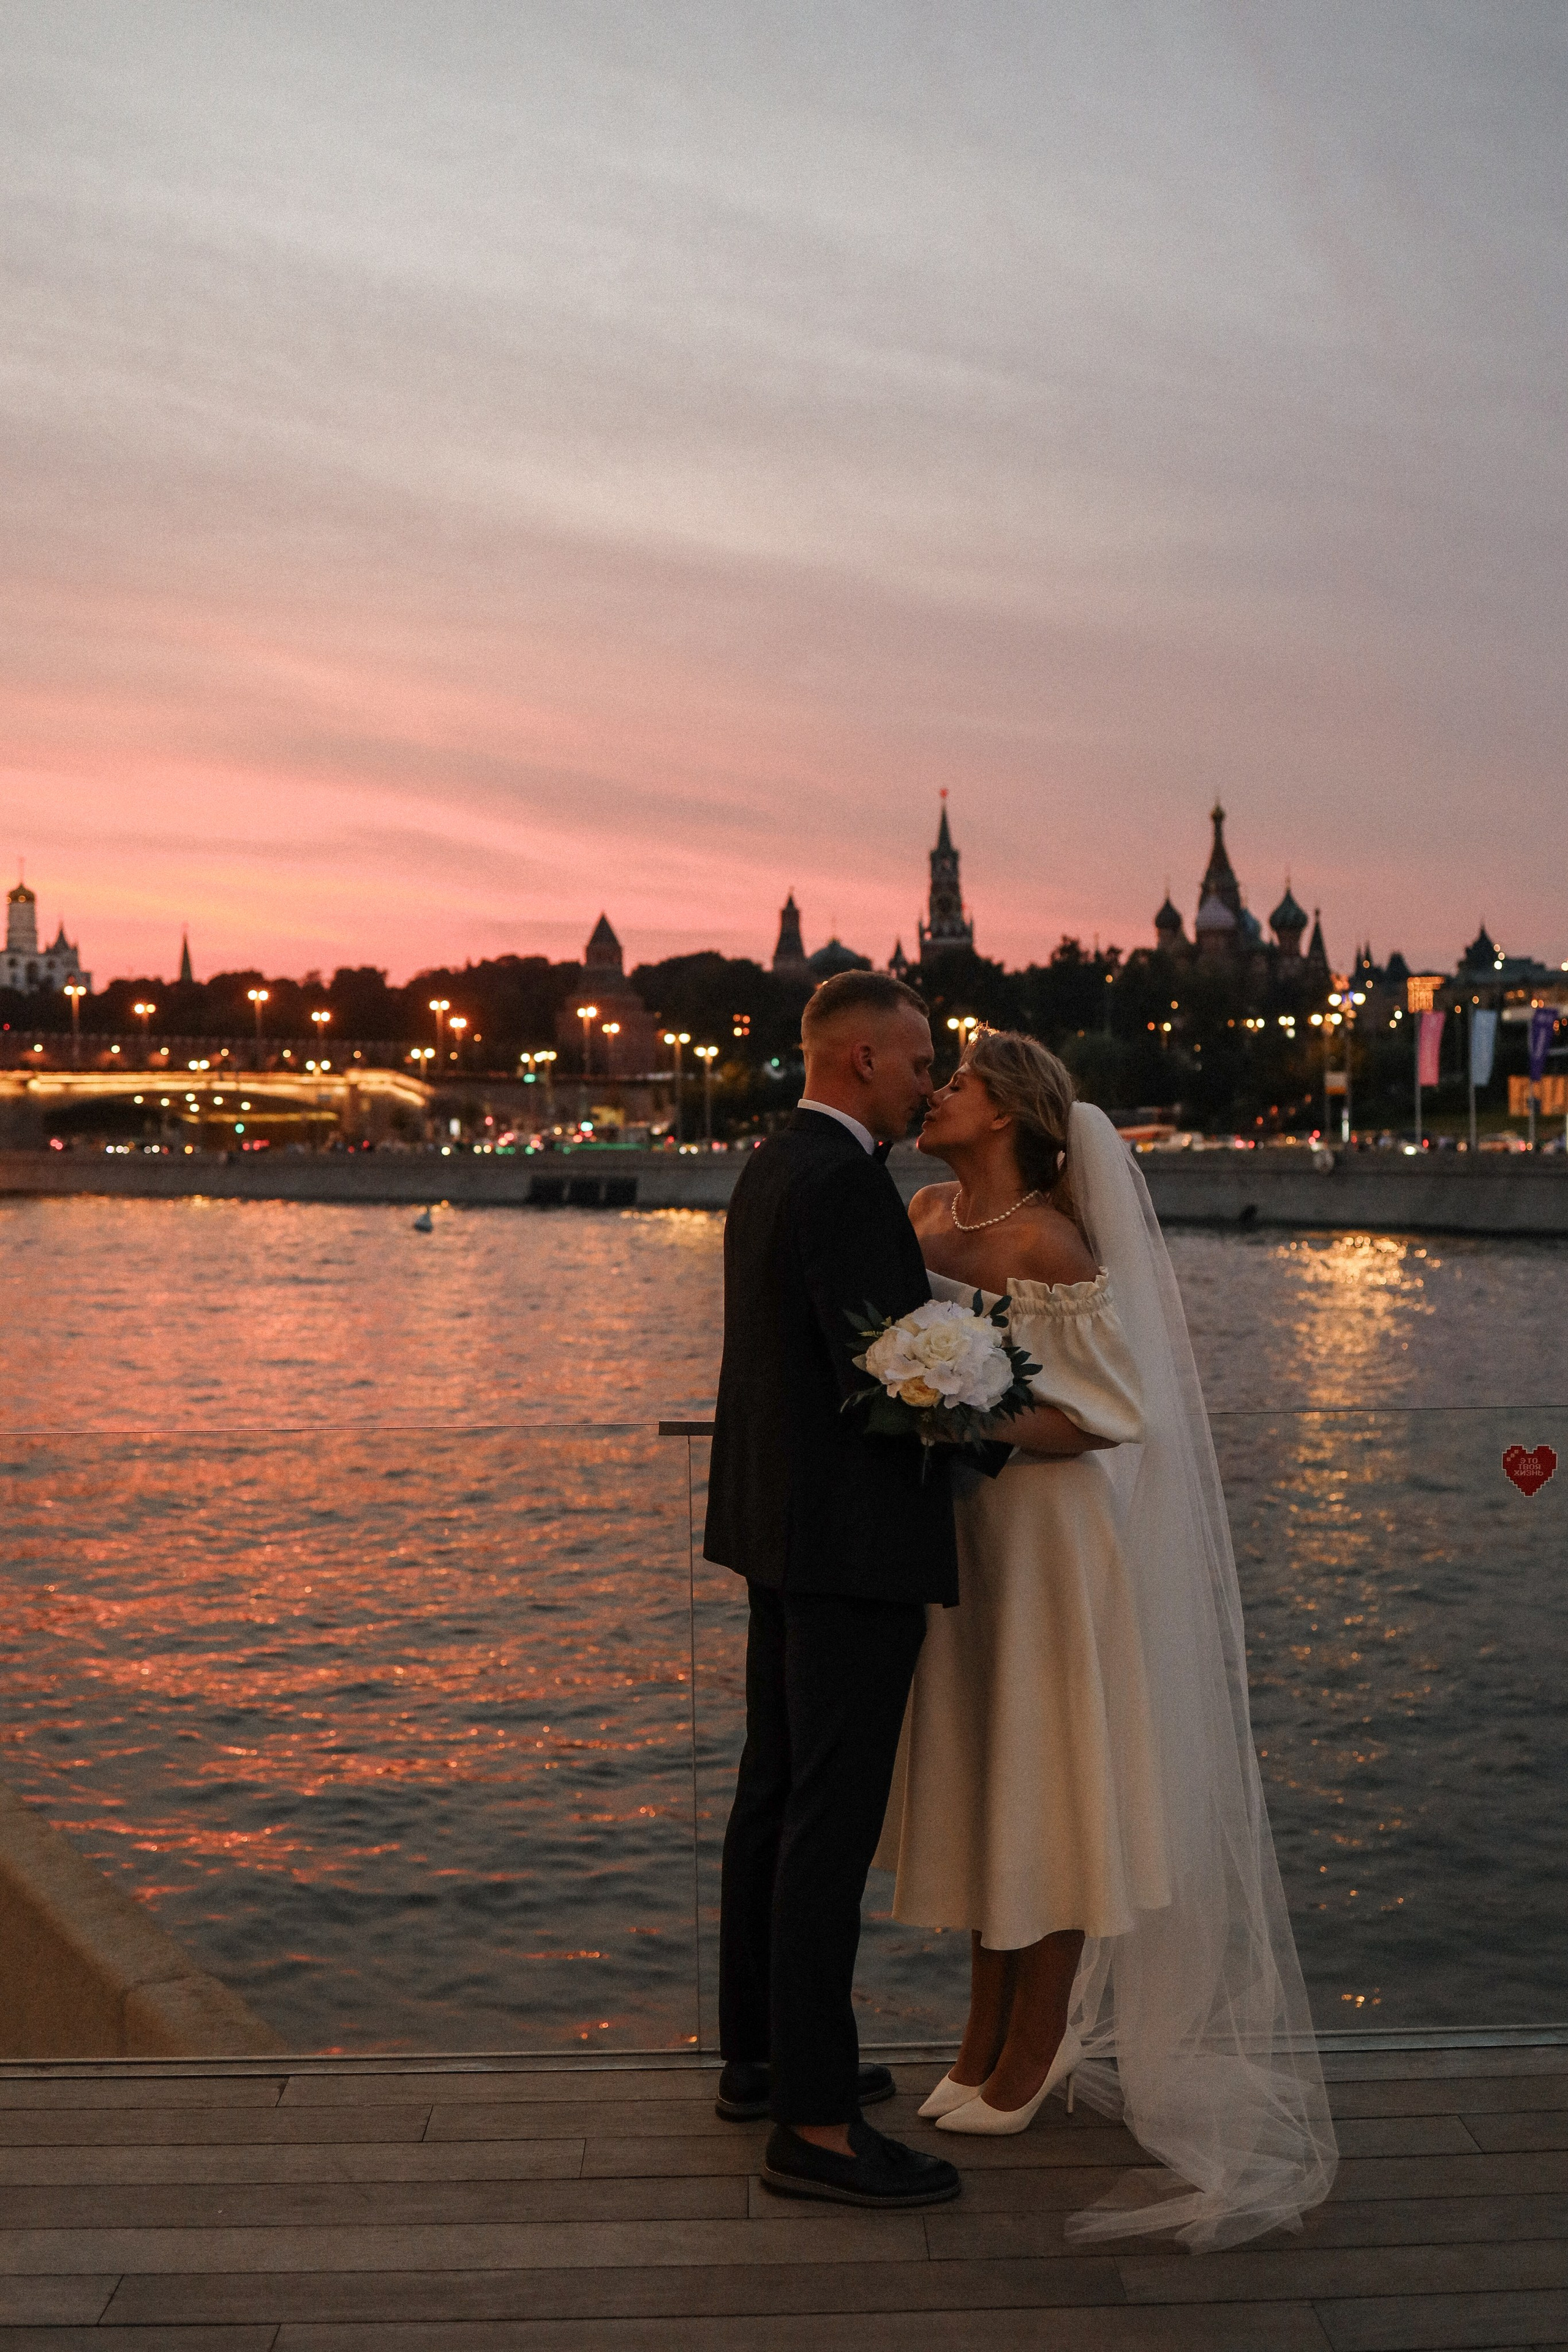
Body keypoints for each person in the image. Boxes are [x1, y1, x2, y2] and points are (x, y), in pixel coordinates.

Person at [875, 1029, 1338, 2250]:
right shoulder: (922, 1214)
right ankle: (976, 2036)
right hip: (963, 1542)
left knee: (1050, 1776)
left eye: (957, 1084)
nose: (934, 1095)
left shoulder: (1049, 1243)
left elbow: (1101, 1413)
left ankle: (1030, 2052)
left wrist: (951, 1407)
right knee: (985, 1778)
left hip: (1042, 1539)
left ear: (1011, 1114)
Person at [703, 969, 965, 2210]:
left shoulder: (769, 1166)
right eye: (918, 1062)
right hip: (851, 1548)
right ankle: (812, 2127)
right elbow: (897, 1376)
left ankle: (762, 2057)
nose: (928, 1080)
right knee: (826, 1825)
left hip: (770, 1528)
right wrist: (1006, 1416)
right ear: (860, 1059)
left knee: (771, 1797)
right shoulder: (850, 1185)